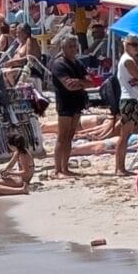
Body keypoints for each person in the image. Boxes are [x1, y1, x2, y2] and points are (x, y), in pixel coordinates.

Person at [45, 32, 90, 178]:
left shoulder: (78, 63)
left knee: (70, 135)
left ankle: (65, 167)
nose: (73, 49)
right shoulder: (59, 64)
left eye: (74, 46)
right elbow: (68, 85)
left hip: (77, 102)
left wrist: (79, 82)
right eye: (70, 46)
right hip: (65, 103)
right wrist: (81, 83)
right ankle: (57, 170)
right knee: (62, 136)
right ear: (63, 48)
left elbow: (91, 82)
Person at [111, 38, 138, 174]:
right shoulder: (128, 60)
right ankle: (120, 168)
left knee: (126, 134)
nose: (137, 48)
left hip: (130, 99)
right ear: (126, 45)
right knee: (124, 135)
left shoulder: (128, 59)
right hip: (129, 100)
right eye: (134, 45)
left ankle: (120, 167)